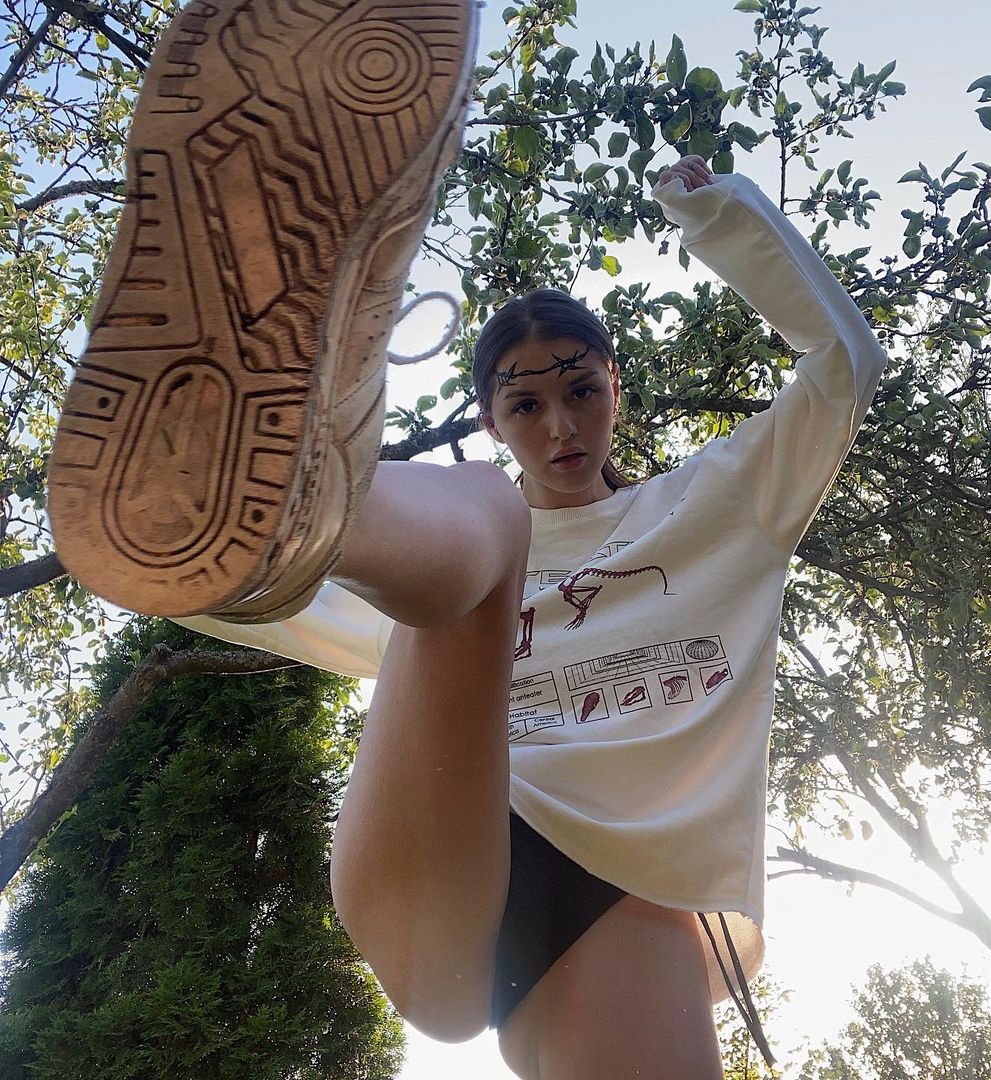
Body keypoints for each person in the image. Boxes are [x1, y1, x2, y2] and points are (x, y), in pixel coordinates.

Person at [47, 2, 888, 1077]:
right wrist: (130, 527)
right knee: (484, 519)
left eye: (581, 391)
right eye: (525, 405)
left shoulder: (724, 502)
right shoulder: (452, 531)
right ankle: (311, 485)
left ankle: (316, 484)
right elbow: (219, 578)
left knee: (472, 528)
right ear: (492, 418)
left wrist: (717, 214)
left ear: (615, 386)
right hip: (445, 846)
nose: (560, 426)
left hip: (618, 892)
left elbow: (843, 368)